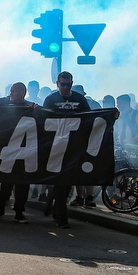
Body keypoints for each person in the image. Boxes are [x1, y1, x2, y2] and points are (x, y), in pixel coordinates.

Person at [41, 72, 92, 228]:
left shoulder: (80, 99)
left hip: (74, 147)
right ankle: (62, 215)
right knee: (59, 182)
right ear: (57, 84)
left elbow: (92, 117)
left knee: (67, 181)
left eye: (68, 85)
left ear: (71, 84)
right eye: (62, 84)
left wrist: (112, 115)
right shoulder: (50, 99)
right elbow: (42, 120)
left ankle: (58, 209)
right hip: (55, 147)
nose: (65, 87)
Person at [0, 83, 36, 223]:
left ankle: (19, 211)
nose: (12, 94)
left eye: (15, 91)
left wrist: (37, 110)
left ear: (23, 93)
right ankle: (2, 202)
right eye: (11, 91)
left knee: (22, 184)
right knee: (6, 182)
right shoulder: (4, 104)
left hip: (24, 151)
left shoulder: (30, 107)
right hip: (8, 149)